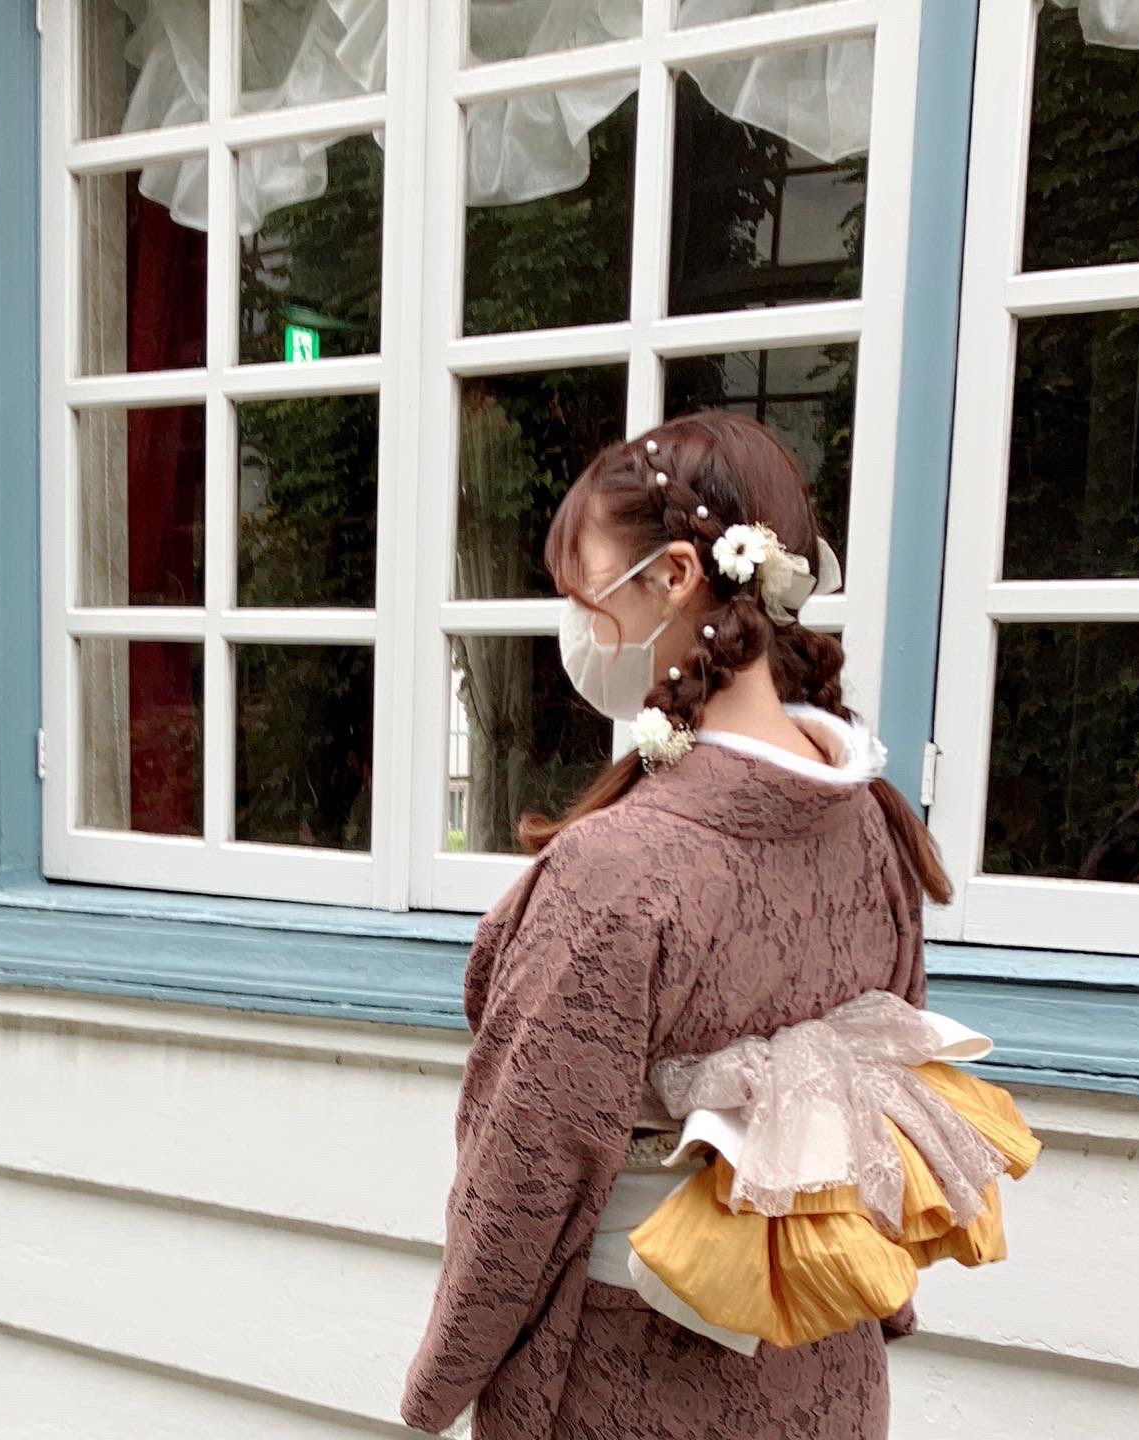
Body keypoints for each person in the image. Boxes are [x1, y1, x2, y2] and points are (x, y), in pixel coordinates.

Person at [400, 411, 1036, 1440]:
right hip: (824, 1363)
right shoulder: (872, 830)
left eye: (584, 593)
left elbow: (528, 1172)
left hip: (636, 1371)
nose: (577, 626)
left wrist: (442, 1380)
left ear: (676, 574)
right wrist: (881, 1296)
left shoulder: (617, 872)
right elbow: (887, 1107)